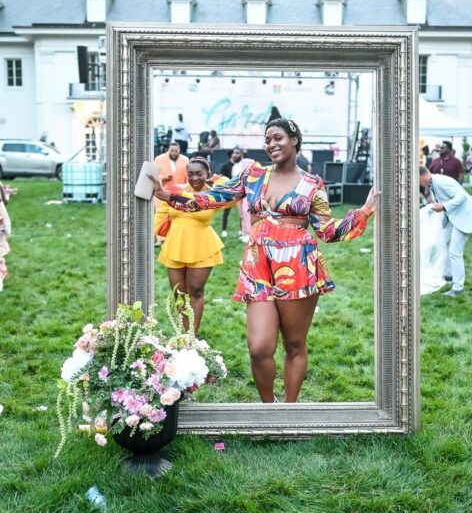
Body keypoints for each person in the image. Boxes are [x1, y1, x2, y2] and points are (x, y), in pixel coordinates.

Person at [149, 117, 379, 403]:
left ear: (294, 140)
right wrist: (167, 195)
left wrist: (365, 211)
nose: (271, 144)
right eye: (267, 140)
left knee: (294, 345)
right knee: (259, 348)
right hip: (258, 265)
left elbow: (327, 230)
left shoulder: (312, 184)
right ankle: (268, 409)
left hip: (298, 266)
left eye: (278, 138)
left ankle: (289, 411)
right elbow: (213, 197)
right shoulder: (253, 176)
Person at [153, 157, 230, 334]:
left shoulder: (214, 196)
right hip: (175, 245)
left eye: (199, 174)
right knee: (178, 293)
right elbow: (162, 212)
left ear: (207, 174)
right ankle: (183, 332)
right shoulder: (176, 191)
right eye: (190, 174)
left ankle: (192, 336)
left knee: (195, 290)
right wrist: (159, 231)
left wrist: (216, 179)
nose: (194, 178)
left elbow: (227, 185)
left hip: (202, 246)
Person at [419, 166, 472, 297]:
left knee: (455, 252)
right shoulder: (432, 184)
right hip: (452, 217)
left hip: (464, 217)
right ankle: (448, 275)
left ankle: (458, 287)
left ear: (422, 177)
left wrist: (443, 206)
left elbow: (462, 197)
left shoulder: (441, 181)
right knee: (443, 242)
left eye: (418, 181)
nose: (418, 184)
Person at [231, 146, 255, 242]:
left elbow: (256, 169)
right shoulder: (234, 166)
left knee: (246, 211)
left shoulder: (248, 161)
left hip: (248, 191)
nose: (235, 155)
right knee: (241, 213)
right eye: (234, 153)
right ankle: (244, 232)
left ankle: (250, 234)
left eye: (237, 153)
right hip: (238, 192)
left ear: (242, 154)